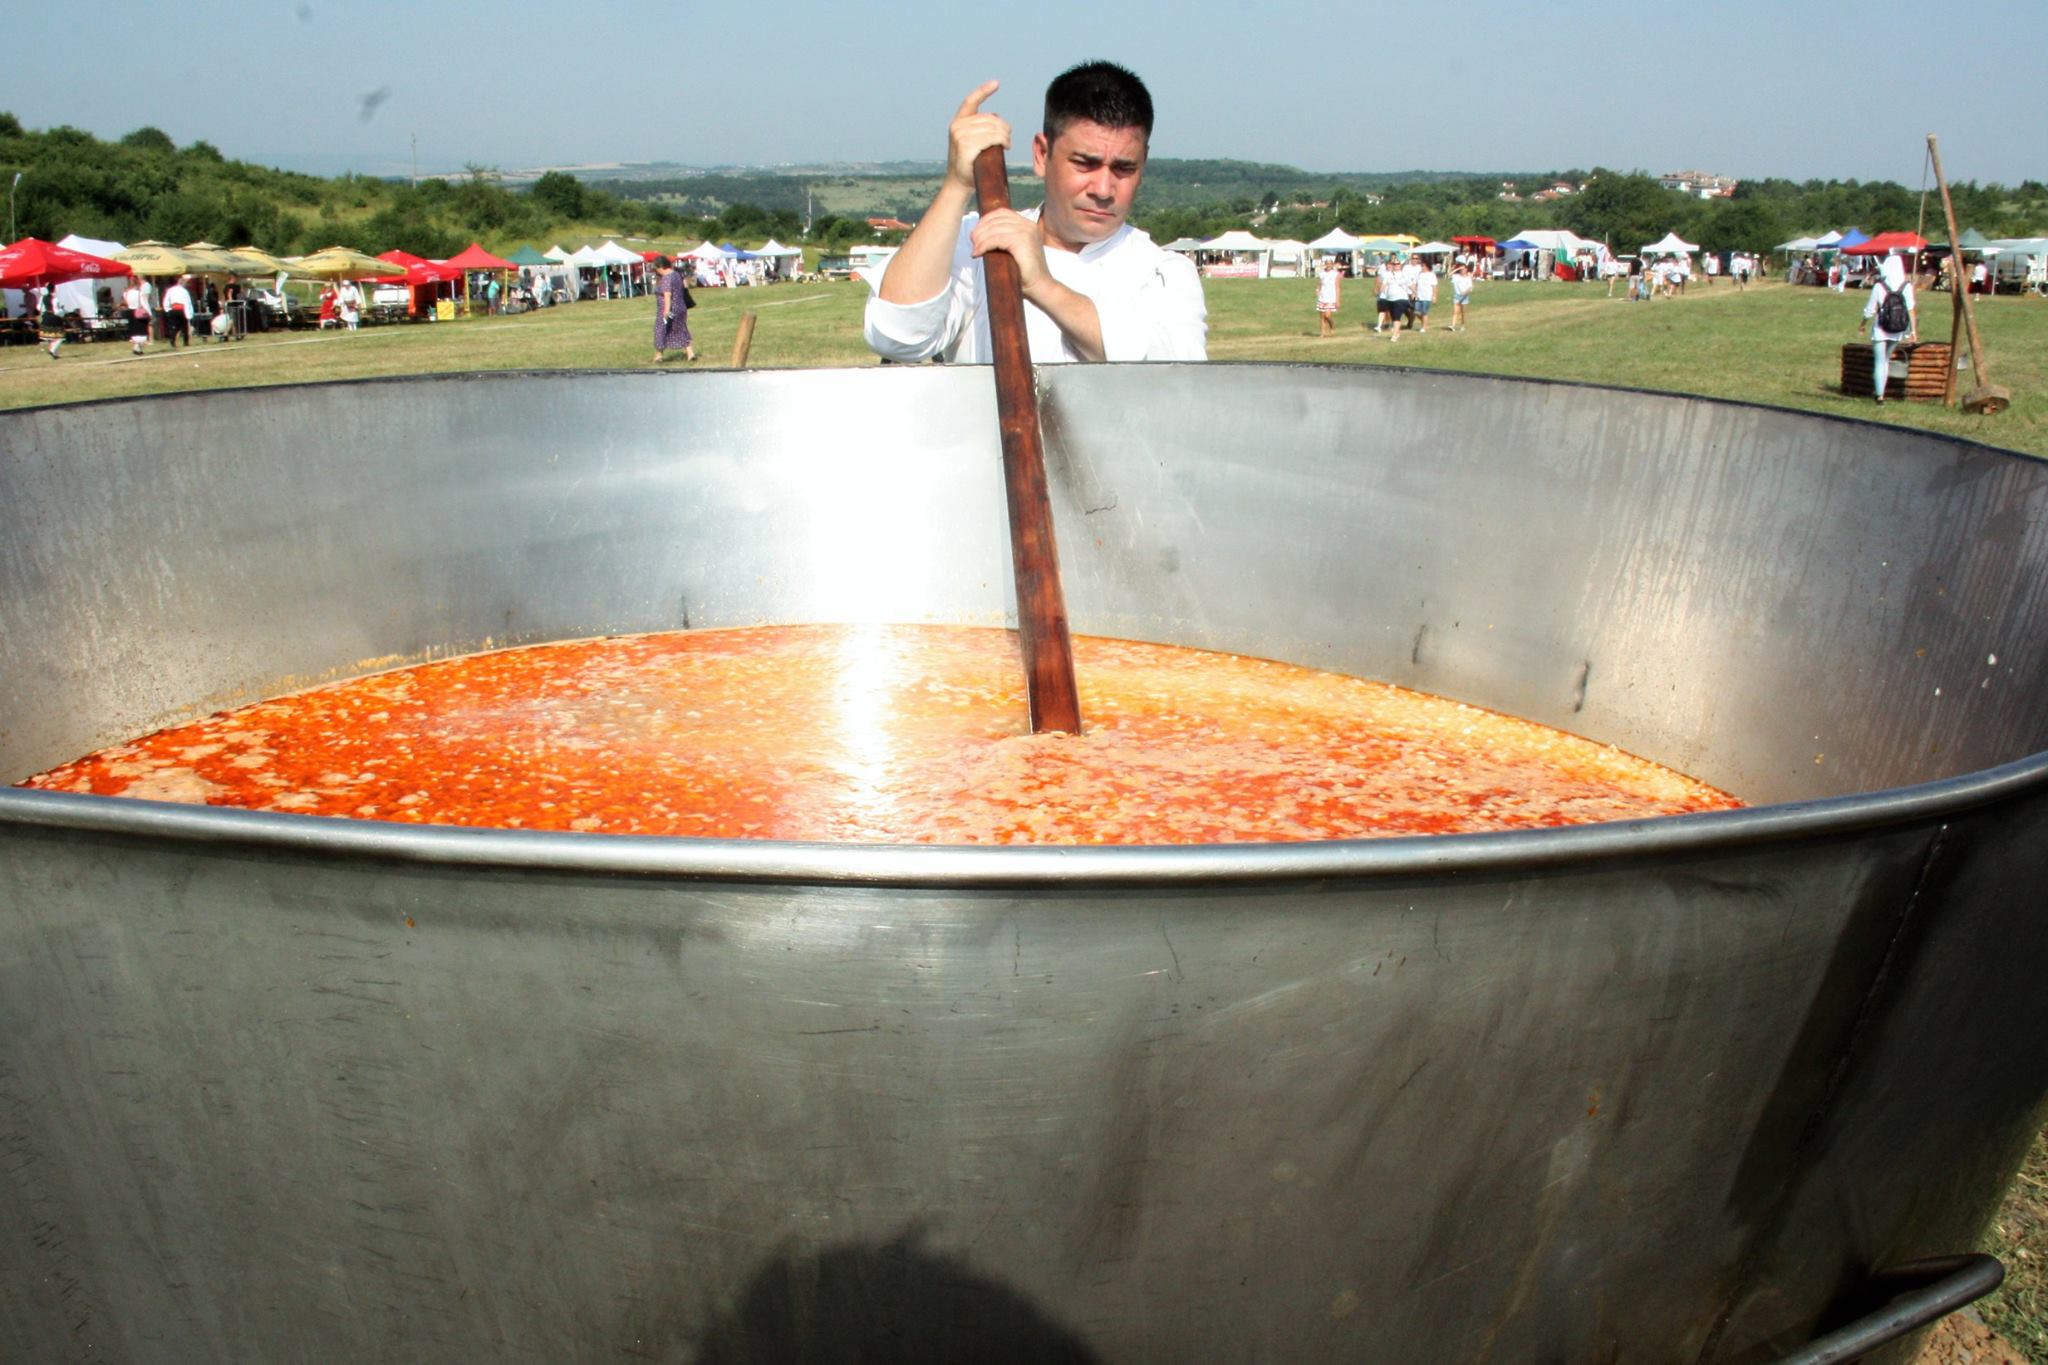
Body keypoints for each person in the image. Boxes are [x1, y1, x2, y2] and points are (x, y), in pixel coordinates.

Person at [865, 61, 1206, 364]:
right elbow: (898, 336)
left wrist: (1042, 285)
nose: (1103, 189)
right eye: (1085, 164)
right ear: (1042, 155)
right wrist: (957, 185)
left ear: (1143, 165)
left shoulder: (1163, 273)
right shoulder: (980, 239)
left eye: (1123, 169)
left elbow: (1172, 376)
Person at [1860, 253, 1916, 406]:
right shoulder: (1906, 286)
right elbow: (1911, 309)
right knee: (1886, 359)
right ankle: (1881, 391)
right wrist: (1913, 331)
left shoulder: (1880, 286)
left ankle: (1879, 395)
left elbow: (1870, 309)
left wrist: (1863, 323)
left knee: (1879, 362)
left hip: (1881, 327)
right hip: (1897, 329)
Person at [651, 255, 696, 363]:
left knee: (660, 330)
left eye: (657, 269)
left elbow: (667, 295)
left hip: (669, 310)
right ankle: (690, 353)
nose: (657, 271)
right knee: (681, 329)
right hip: (680, 308)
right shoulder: (677, 274)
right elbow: (684, 286)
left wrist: (666, 311)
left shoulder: (666, 278)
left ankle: (658, 356)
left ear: (661, 266)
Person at [161, 275, 194, 347]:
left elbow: (166, 300)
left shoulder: (170, 290)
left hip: (173, 309)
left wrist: (167, 309)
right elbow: (187, 302)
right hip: (182, 309)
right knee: (185, 326)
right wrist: (189, 313)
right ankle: (185, 342)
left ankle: (173, 340)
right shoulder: (184, 291)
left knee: (175, 327)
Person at [122, 277, 152, 356]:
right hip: (139, 312)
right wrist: (149, 313)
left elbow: (126, 303)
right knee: (142, 331)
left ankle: (138, 348)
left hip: (130, 312)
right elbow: (144, 303)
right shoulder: (139, 293)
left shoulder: (126, 293)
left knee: (135, 332)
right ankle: (137, 347)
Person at [1314, 255, 1341, 338]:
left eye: (1330, 264)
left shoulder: (1335, 274)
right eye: (1327, 264)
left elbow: (1337, 287)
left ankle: (1332, 325)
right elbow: (1320, 284)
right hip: (1323, 296)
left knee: (1327, 315)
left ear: (1332, 265)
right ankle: (1322, 333)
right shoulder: (1321, 274)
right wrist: (1317, 290)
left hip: (1331, 297)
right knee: (1322, 316)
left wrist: (1338, 300)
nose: (1328, 265)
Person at [36, 285, 64, 359]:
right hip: (54, 318)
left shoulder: (42, 297)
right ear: (54, 289)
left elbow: (38, 307)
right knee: (60, 337)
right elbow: (56, 311)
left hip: (45, 317)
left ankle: (55, 354)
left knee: (51, 337)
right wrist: (62, 311)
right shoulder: (55, 299)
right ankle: (52, 350)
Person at [1411, 258, 1438, 333]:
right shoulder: (1419, 274)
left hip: (1427, 297)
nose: (1422, 267)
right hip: (1419, 296)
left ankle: (1424, 327)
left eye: (1423, 266)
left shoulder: (1431, 275)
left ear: (1427, 266)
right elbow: (1415, 283)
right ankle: (1424, 322)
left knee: (1424, 312)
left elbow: (1434, 286)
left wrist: (1434, 296)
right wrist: (1413, 293)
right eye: (1421, 266)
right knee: (1416, 312)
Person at [1449, 261, 1474, 332]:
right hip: (1457, 296)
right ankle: (1453, 326)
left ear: (1466, 270)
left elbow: (1470, 288)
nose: (1462, 271)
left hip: (1464, 297)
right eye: (1461, 270)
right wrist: (1457, 269)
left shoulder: (1468, 278)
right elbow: (1449, 274)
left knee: (1463, 313)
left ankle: (1462, 325)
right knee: (1455, 312)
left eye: (1464, 269)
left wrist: (1465, 293)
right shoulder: (1456, 277)